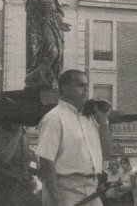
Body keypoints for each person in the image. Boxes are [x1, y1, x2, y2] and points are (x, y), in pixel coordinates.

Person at [36, 69, 112, 206]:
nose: (86, 90)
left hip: (91, 188)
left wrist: (103, 120)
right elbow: (46, 161)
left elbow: (107, 153)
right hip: (65, 190)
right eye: (80, 85)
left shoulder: (89, 118)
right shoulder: (54, 118)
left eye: (86, 86)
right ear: (65, 88)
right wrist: (55, 199)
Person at [25, 0, 71, 89]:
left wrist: (61, 23)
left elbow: (56, 9)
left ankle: (48, 77)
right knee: (52, 52)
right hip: (42, 26)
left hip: (54, 25)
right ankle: (36, 76)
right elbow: (29, 5)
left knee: (58, 54)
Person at [0, 125, 36, 206]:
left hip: (22, 181)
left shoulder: (23, 133)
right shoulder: (1, 132)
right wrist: (17, 135)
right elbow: (4, 158)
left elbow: (26, 157)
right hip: (6, 180)